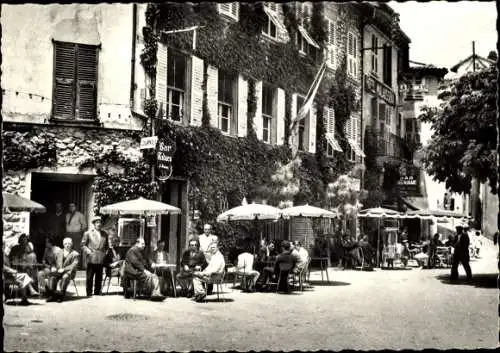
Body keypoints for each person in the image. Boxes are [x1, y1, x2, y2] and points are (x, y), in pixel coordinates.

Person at [81, 216, 108, 296]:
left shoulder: (104, 234)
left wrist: (104, 254)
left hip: (100, 258)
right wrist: (88, 251)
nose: (98, 224)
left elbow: (107, 246)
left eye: (100, 222)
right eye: (97, 222)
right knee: (90, 277)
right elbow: (82, 245)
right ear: (94, 224)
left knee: (99, 277)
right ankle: (89, 292)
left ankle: (97, 291)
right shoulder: (88, 233)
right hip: (91, 257)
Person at [46, 237, 80, 302]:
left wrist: (64, 269)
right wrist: (53, 266)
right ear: (63, 244)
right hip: (59, 271)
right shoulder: (59, 252)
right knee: (52, 276)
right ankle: (52, 295)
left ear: (71, 244)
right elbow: (53, 262)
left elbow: (74, 265)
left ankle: (61, 296)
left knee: (65, 277)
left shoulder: (75, 254)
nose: (67, 245)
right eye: (65, 244)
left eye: (69, 244)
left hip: (69, 272)